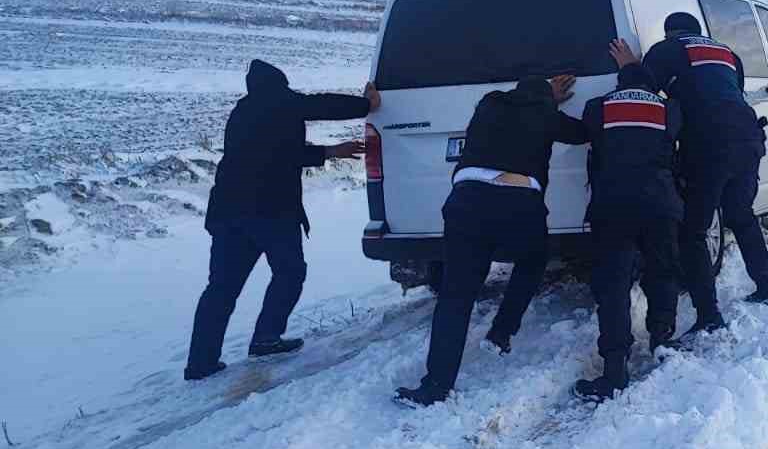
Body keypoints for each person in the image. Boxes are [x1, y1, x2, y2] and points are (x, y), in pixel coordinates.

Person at [395, 73, 582, 407]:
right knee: (533, 260)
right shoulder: (547, 115)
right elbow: (583, 134)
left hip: (467, 201)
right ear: (548, 97)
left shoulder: (490, 103)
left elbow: (523, 104)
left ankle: (435, 386)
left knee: (456, 294)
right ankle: (502, 331)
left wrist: (543, 98)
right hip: (519, 203)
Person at [185, 60, 376, 381]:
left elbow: (281, 152)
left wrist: (332, 151)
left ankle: (200, 363)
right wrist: (366, 103)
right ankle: (266, 337)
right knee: (290, 272)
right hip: (270, 212)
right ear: (278, 85)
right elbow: (322, 104)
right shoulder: (281, 102)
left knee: (221, 288)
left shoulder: (242, 113)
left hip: (229, 214)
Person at [611, 11, 768, 340]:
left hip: (708, 144)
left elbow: (642, 90)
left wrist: (630, 65)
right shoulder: (726, 53)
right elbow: (731, 93)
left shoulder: (668, 49)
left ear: (669, 31)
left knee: (693, 232)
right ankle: (766, 286)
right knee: (742, 215)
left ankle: (709, 315)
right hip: (747, 137)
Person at [572, 63, 684, 401]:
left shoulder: (598, 108)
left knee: (614, 284)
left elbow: (585, 135)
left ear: (619, 83)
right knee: (662, 270)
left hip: (613, 206)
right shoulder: (669, 109)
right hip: (660, 203)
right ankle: (662, 339)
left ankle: (615, 369)